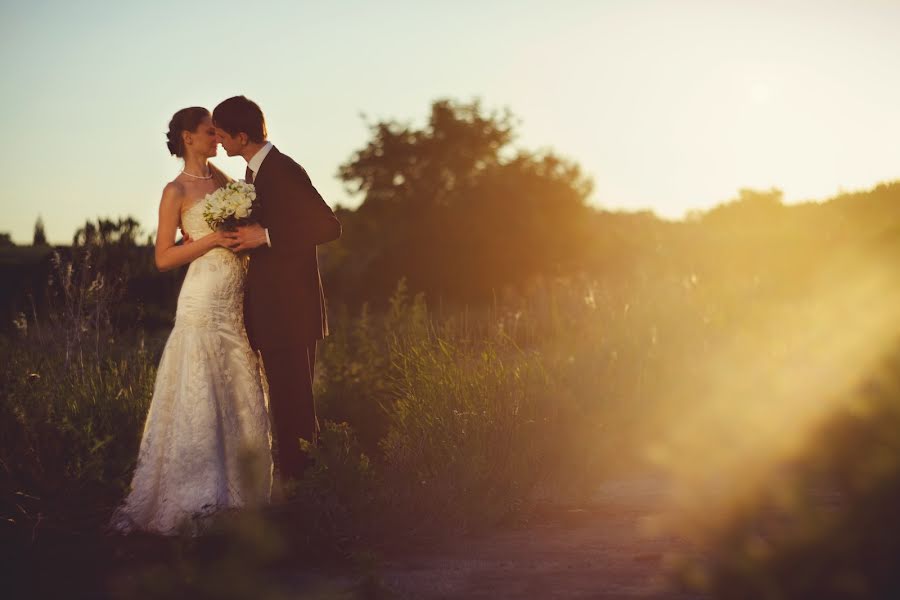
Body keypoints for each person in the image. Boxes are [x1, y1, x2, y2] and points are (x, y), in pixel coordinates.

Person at [109, 107, 272, 535]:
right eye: (208, 132)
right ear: (187, 138)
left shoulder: (227, 183)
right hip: (201, 298)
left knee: (238, 387)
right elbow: (163, 257)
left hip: (236, 297)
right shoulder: (175, 190)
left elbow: (251, 229)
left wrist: (244, 237)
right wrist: (211, 240)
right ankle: (194, 502)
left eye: (217, 132)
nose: (216, 138)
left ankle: (245, 500)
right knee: (201, 386)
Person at [213, 95, 341, 483]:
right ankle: (301, 493)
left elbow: (328, 226)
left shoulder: (282, 169)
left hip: (291, 312)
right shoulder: (253, 176)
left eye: (221, 135)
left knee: (295, 412)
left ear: (241, 134)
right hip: (274, 313)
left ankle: (307, 500)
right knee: (287, 411)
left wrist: (265, 236)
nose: (219, 143)